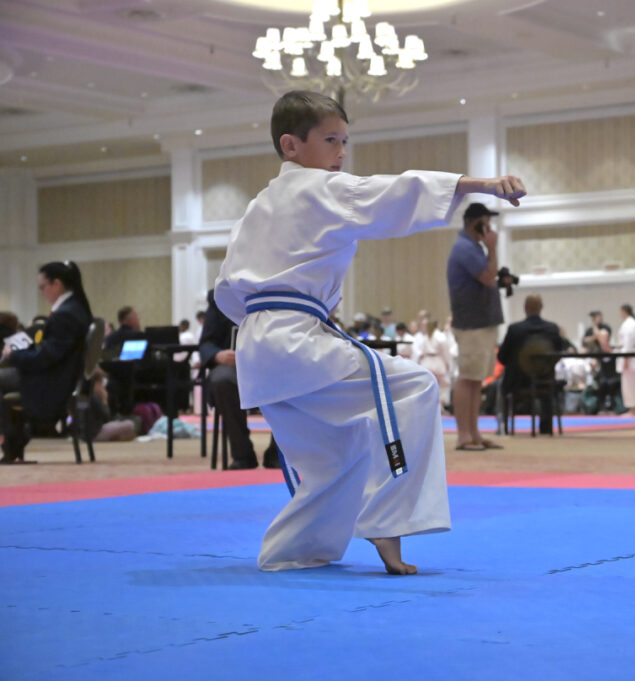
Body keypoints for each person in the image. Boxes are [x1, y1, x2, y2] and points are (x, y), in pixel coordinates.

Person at [213, 90, 526, 574]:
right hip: (296, 341)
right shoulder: (321, 188)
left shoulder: (255, 209)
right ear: (291, 145)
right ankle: (387, 520)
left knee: (334, 455)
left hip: (260, 348)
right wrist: (478, 184)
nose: (341, 152)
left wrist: (264, 331)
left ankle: (293, 551)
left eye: (345, 141)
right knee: (417, 386)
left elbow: (226, 291)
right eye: (331, 140)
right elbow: (396, 191)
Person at [0, 261, 92, 462]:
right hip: (61, 377)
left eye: (42, 287)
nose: (41, 292)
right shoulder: (75, 308)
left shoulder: (65, 314)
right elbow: (53, 352)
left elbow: (47, 358)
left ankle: (13, 439)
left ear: (56, 284)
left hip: (53, 384)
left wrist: (14, 355)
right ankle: (13, 439)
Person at [447, 202, 506, 451]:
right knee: (468, 377)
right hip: (472, 323)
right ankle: (463, 435)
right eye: (486, 222)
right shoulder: (465, 248)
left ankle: (474, 433)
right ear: (474, 222)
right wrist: (492, 249)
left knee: (476, 379)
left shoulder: (473, 247)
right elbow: (488, 277)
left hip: (481, 321)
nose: (489, 228)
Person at [199, 289, 279, 470]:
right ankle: (242, 454)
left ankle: (278, 453)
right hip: (233, 366)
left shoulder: (280, 290)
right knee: (222, 380)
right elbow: (206, 343)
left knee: (291, 376)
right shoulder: (220, 297)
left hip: (272, 365)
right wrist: (217, 355)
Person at [497, 294, 566, 434]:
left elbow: (502, 357)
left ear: (525, 308)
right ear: (541, 308)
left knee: (500, 385)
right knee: (547, 384)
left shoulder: (515, 329)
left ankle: (503, 425)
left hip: (517, 381)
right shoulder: (552, 329)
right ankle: (546, 427)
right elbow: (558, 354)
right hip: (545, 379)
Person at [616, 303, 635, 417]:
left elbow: (628, 343)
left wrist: (626, 359)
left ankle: (633, 410)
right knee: (628, 385)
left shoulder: (630, 324)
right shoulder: (630, 323)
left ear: (623, 311)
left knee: (630, 384)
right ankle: (632, 409)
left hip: (630, 357)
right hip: (630, 355)